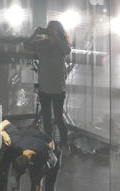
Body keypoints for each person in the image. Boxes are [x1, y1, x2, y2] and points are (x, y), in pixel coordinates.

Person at [25, 21, 72, 155]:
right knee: (46, 118)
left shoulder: (62, 45)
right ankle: (49, 143)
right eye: (49, 29)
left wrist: (56, 37)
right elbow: (26, 45)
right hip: (44, 87)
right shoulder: (42, 44)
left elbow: (67, 50)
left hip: (57, 88)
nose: (50, 32)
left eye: (53, 30)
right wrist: (35, 33)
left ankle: (64, 143)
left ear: (58, 32)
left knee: (58, 117)